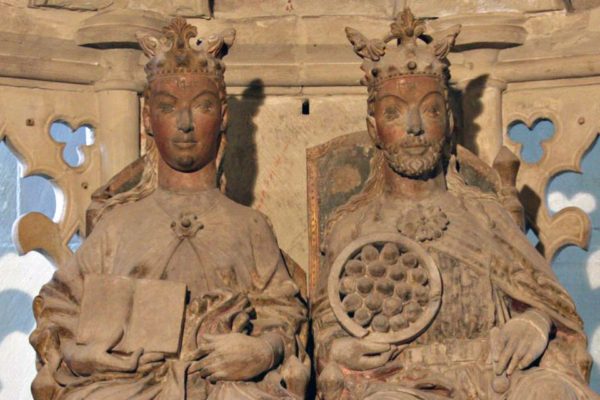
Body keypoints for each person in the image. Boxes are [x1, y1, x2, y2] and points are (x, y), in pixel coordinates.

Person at [312, 9, 599, 400]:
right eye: (394, 112)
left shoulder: (484, 215)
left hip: (499, 378)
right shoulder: (354, 227)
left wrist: (533, 323)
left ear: (448, 120)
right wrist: (339, 348)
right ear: (372, 126)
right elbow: (326, 329)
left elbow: (551, 306)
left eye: (429, 109)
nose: (414, 126)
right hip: (397, 382)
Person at [29, 17, 308, 400]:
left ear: (223, 117)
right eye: (168, 106)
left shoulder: (250, 225)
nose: (186, 123)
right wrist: (87, 354)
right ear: (147, 117)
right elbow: (59, 307)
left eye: (203, 107)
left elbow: (285, 312)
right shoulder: (117, 224)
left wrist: (263, 350)